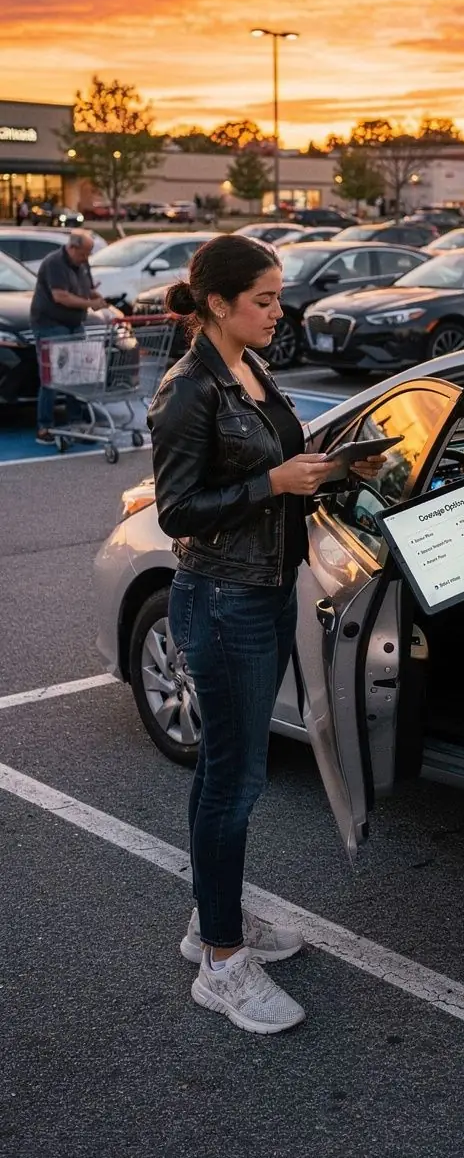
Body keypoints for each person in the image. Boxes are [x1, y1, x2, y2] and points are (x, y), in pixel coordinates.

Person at [148, 235, 383, 1035]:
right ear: (218, 302)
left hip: (263, 591)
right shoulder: (189, 389)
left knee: (225, 771)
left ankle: (209, 924)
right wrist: (272, 484)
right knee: (236, 782)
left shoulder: (249, 367)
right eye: (265, 300)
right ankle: (221, 961)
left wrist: (330, 467)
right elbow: (176, 510)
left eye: (279, 297)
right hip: (221, 600)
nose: (278, 313)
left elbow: (278, 461)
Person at [30, 228, 107, 444]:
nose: (86, 258)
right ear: (72, 247)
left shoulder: (82, 263)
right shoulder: (54, 263)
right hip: (50, 324)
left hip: (74, 323)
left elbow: (87, 288)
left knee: (77, 373)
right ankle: (44, 427)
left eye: (88, 254)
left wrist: (96, 296)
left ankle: (76, 421)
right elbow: (60, 296)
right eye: (83, 253)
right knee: (53, 376)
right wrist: (91, 304)